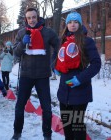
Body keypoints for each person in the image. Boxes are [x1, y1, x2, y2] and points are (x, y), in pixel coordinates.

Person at [11, 8, 59, 140]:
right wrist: (22, 43)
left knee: (47, 108)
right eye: (29, 18)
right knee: (19, 106)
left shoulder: (48, 32)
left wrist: (53, 63)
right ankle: (17, 133)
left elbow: (59, 47)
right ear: (26, 19)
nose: (31, 20)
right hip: (26, 75)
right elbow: (16, 53)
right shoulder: (21, 33)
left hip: (42, 76)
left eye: (34, 17)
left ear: (38, 17)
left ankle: (47, 135)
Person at [54, 11, 101, 140]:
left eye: (75, 22)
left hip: (80, 90)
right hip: (64, 90)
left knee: (77, 125)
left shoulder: (87, 41)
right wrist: (55, 67)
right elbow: (55, 57)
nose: (72, 25)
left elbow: (96, 64)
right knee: (67, 124)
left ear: (80, 24)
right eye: (69, 22)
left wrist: (80, 79)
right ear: (66, 25)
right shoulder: (62, 41)